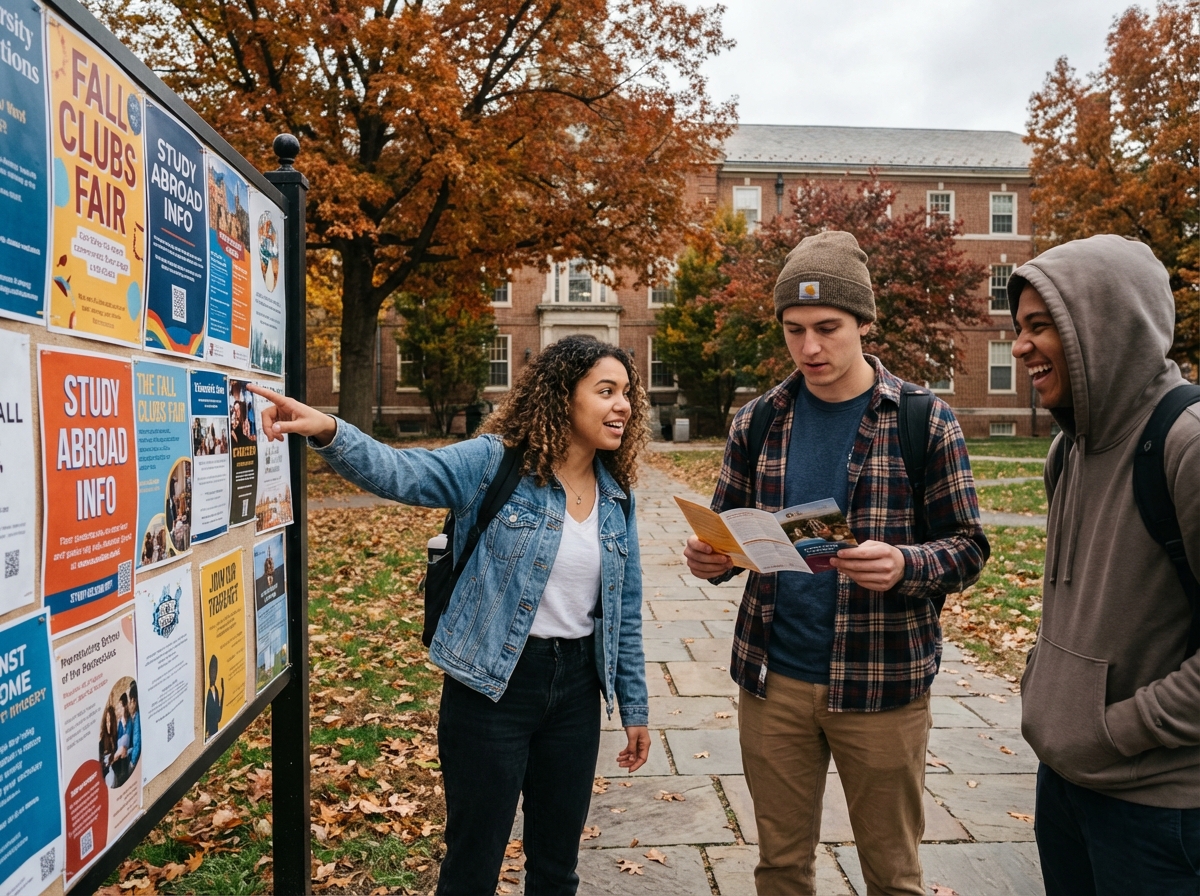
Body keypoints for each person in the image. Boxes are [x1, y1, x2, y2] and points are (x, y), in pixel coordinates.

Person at [250, 335, 652, 894]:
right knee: (473, 863)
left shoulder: (617, 495)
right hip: (491, 688)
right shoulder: (494, 462)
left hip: (577, 693)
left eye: (627, 393)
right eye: (605, 391)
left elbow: (624, 608)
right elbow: (402, 471)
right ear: (563, 396)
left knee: (557, 867)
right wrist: (328, 429)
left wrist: (634, 705)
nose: (622, 405)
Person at [683, 231, 989, 895]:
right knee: (780, 869)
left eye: (827, 328)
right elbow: (730, 536)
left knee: (892, 873)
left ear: (863, 323)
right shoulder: (757, 421)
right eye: (794, 330)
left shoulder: (923, 420)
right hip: (774, 680)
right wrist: (713, 558)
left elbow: (968, 546)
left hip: (882, 683)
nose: (810, 348)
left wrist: (906, 564)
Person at [1006, 235, 1200, 895]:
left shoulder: (1186, 444)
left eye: (1040, 326)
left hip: (1159, 810)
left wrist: (1120, 728)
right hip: (1064, 781)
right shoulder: (1068, 449)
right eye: (1020, 327)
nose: (1020, 347)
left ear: (1104, 325)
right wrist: (1052, 697)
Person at [205, 655, 225, 738]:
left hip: (215, 729)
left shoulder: (217, 689)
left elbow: (220, 705)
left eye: (215, 671)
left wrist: (223, 690)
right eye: (212, 671)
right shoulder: (206, 691)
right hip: (208, 731)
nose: (214, 674)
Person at [99, 705, 118, 788]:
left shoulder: (116, 737)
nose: (108, 725)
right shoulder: (103, 739)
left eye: (110, 722)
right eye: (106, 722)